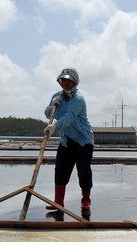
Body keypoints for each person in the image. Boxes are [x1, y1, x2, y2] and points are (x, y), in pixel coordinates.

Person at [44, 67, 94, 212]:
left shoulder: (78, 99)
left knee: (84, 172)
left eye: (70, 81)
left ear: (75, 83)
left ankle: (86, 200)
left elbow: (69, 118)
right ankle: (58, 202)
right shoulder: (57, 95)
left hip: (82, 141)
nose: (66, 83)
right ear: (60, 81)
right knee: (60, 170)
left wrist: (55, 126)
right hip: (66, 141)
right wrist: (53, 104)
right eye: (64, 80)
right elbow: (48, 113)